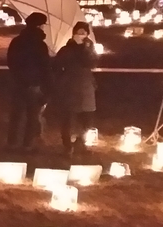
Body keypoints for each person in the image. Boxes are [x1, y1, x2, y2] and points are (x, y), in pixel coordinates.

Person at [6, 12, 51, 153]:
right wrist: (45, 83)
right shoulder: (40, 44)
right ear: (39, 26)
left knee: (16, 115)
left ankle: (12, 143)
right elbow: (45, 66)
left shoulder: (17, 41)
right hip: (34, 84)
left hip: (18, 83)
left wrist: (18, 76)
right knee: (32, 116)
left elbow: (11, 62)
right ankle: (27, 145)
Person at [53, 22, 97, 156]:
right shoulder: (66, 49)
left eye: (84, 33)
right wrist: (62, 79)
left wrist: (86, 48)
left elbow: (91, 63)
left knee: (87, 118)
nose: (81, 35)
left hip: (85, 87)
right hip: (69, 87)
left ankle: (81, 142)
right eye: (79, 32)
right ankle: (67, 145)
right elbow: (57, 65)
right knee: (68, 117)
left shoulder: (89, 48)